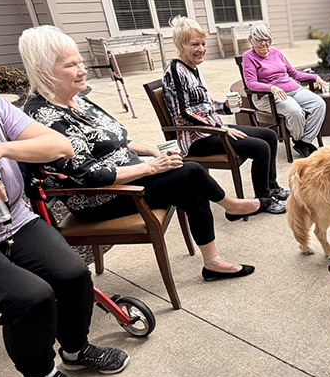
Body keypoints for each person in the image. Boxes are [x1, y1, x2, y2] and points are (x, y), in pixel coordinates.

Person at [19, 25, 261, 282]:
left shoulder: (74, 97)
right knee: (190, 172)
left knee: (189, 181)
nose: (83, 70)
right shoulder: (43, 116)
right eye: (72, 65)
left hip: (127, 178)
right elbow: (90, 176)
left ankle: (213, 262)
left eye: (81, 62)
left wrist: (149, 150)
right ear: (42, 70)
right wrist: (150, 167)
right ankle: (231, 206)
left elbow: (112, 139)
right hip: (97, 199)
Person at [0, 54, 129, 377]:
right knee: (31, 296)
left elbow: (60, 146)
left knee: (73, 274)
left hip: (14, 219)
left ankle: (75, 350)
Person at [162, 16, 287, 213]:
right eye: (195, 44)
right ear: (181, 45)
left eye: (203, 44)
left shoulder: (194, 69)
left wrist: (226, 107)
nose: (201, 49)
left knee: (269, 136)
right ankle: (264, 200)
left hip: (213, 130)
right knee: (261, 147)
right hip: (197, 138)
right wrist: (221, 129)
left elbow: (205, 103)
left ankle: (272, 187)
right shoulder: (176, 71)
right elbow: (182, 113)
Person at [242, 21, 327, 159]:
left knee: (319, 104)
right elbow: (251, 83)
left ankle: (304, 141)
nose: (264, 44)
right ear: (251, 41)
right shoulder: (248, 57)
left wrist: (314, 76)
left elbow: (293, 73)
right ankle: (298, 138)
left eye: (267, 40)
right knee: (295, 111)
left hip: (292, 89)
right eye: (259, 41)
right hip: (268, 96)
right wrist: (270, 87)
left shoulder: (276, 53)